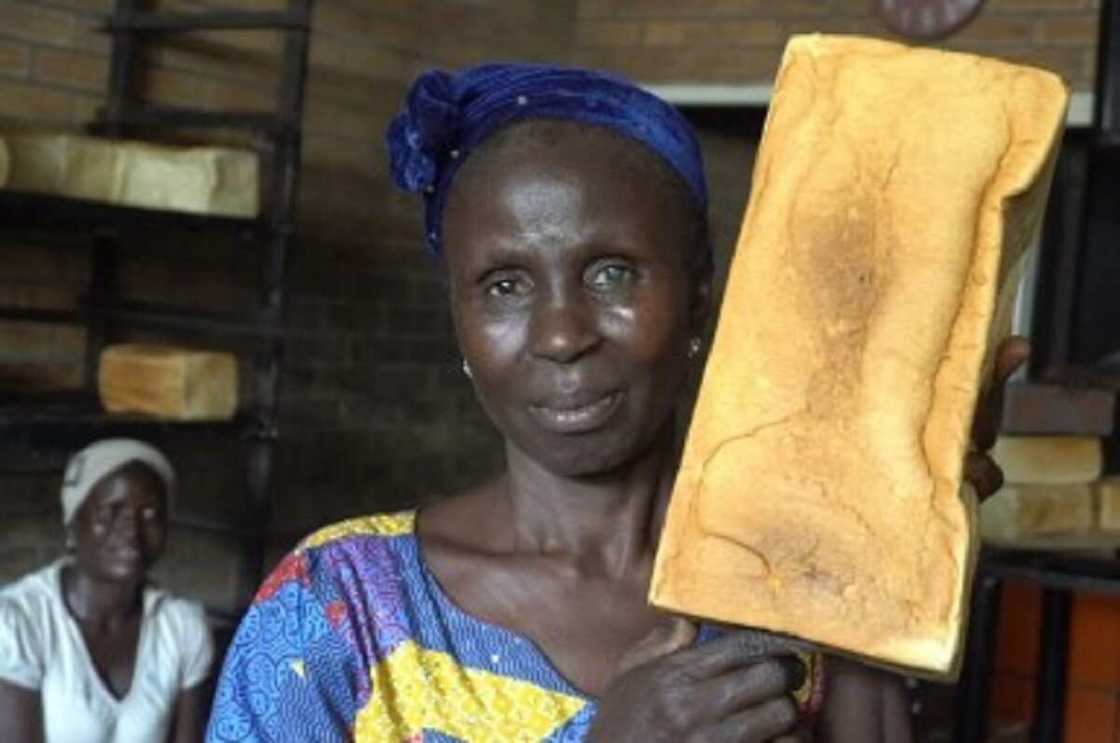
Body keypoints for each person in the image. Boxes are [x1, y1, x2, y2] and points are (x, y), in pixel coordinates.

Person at [206, 63, 1024, 742]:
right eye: (504, 285)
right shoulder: (333, 609)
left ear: (702, 298)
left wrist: (893, 559)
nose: (562, 333)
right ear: (459, 323)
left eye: (612, 273)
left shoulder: (793, 579)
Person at [0, 438, 215, 743]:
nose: (131, 530)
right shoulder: (20, 622)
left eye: (150, 514)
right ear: (73, 522)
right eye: (111, 510)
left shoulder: (182, 628)